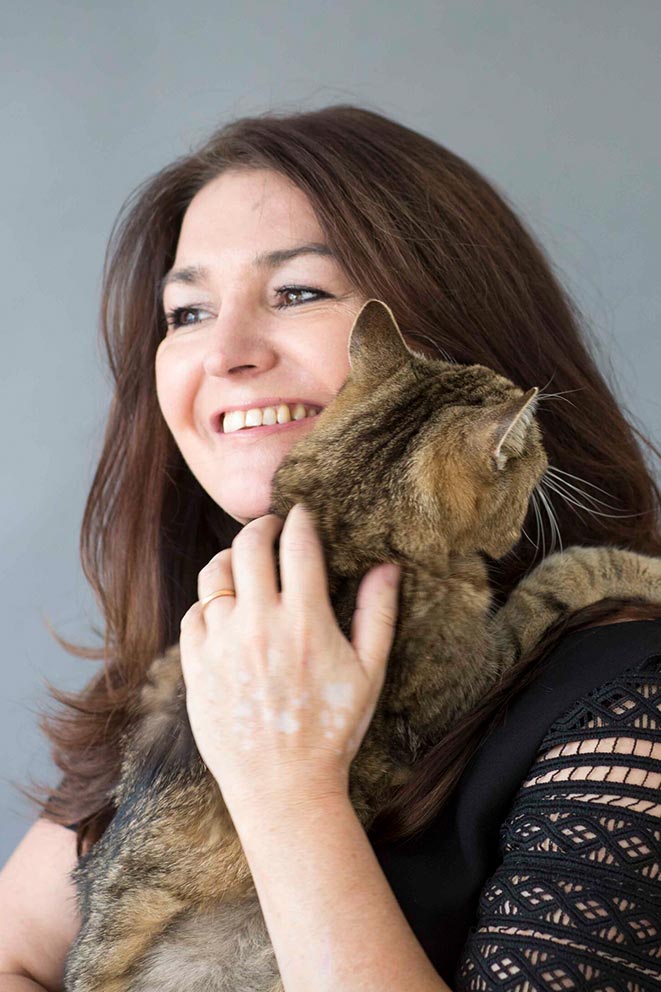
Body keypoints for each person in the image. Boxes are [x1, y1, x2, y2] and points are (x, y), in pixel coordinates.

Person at [1, 104, 660, 992]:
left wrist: (288, 791)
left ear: (453, 335)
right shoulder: (223, 641)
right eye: (187, 311)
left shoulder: (627, 699)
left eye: (299, 292)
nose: (223, 353)